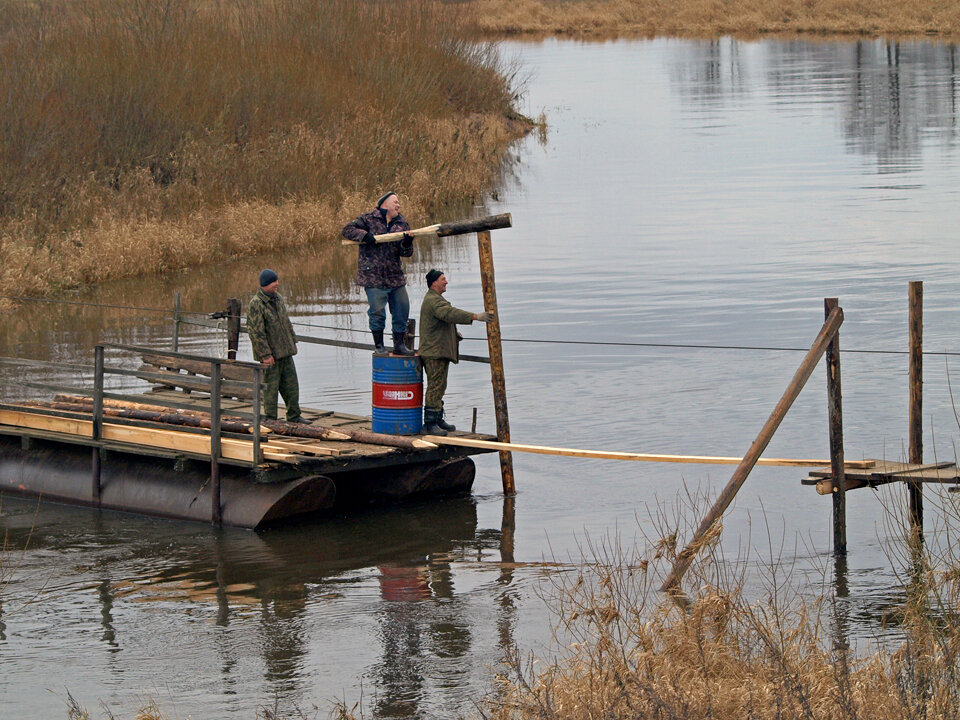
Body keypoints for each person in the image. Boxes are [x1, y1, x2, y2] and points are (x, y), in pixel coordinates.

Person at [418, 268, 493, 436]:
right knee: (435, 386)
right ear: (434, 283)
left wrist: (453, 333)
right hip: (434, 352)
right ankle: (430, 424)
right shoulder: (434, 301)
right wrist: (475, 316)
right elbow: (449, 313)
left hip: (437, 350)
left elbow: (444, 318)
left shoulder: (435, 299)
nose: (446, 282)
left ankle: (437, 418)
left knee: (440, 385)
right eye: (443, 279)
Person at [341, 191, 416, 356]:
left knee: (402, 310)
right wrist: (365, 236)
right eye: (395, 202)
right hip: (373, 277)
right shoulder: (368, 219)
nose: (399, 205)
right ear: (385, 204)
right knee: (377, 313)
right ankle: (379, 346)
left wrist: (407, 243)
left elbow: (406, 253)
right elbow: (347, 230)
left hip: (395, 276)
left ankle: (399, 345)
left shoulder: (402, 223)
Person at [246, 268, 304, 423]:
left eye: (277, 280)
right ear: (265, 284)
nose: (277, 284)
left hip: (286, 351)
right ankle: (270, 418)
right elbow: (256, 332)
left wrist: (293, 342)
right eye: (273, 282)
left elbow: (286, 322)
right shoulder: (256, 304)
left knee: (292, 385)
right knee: (271, 388)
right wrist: (265, 354)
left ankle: (294, 415)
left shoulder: (278, 298)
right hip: (271, 355)